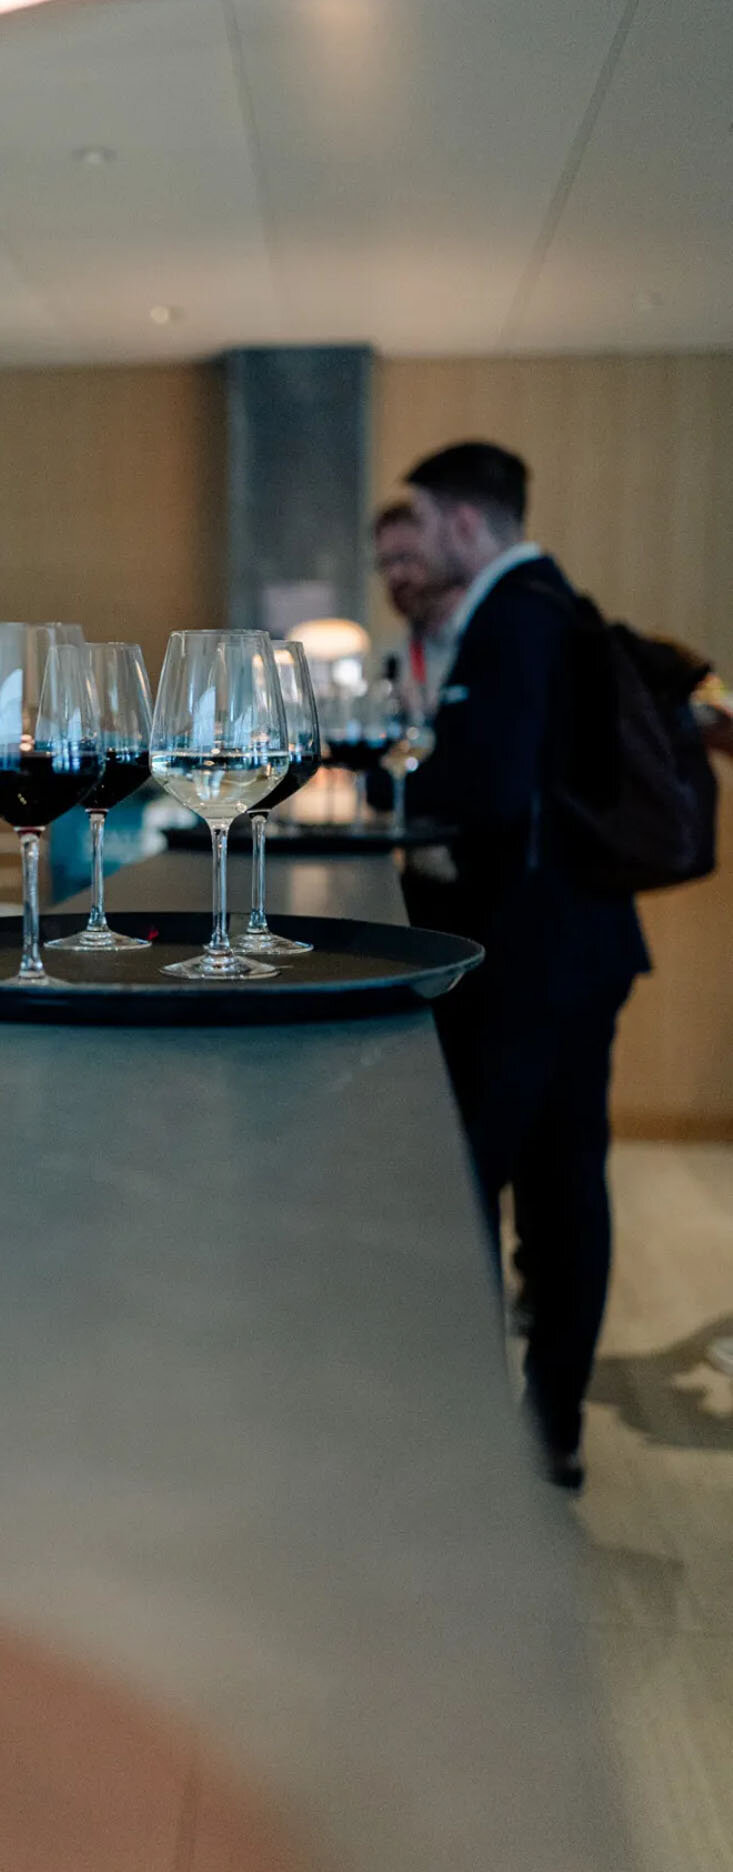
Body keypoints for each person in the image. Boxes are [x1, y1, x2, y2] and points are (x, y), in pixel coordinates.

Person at [400, 442, 649, 1491]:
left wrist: (397, 795)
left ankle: (456, 1434)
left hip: (526, 951)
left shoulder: (511, 614)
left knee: (474, 1187)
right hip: (578, 940)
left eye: (420, 522)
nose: (413, 546)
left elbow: (487, 789)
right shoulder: (555, 602)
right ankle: (549, 1429)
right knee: (562, 1184)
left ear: (463, 521)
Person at [373, 499, 464, 718]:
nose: (395, 575)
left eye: (405, 558)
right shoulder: (394, 661)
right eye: (386, 563)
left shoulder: (480, 638)